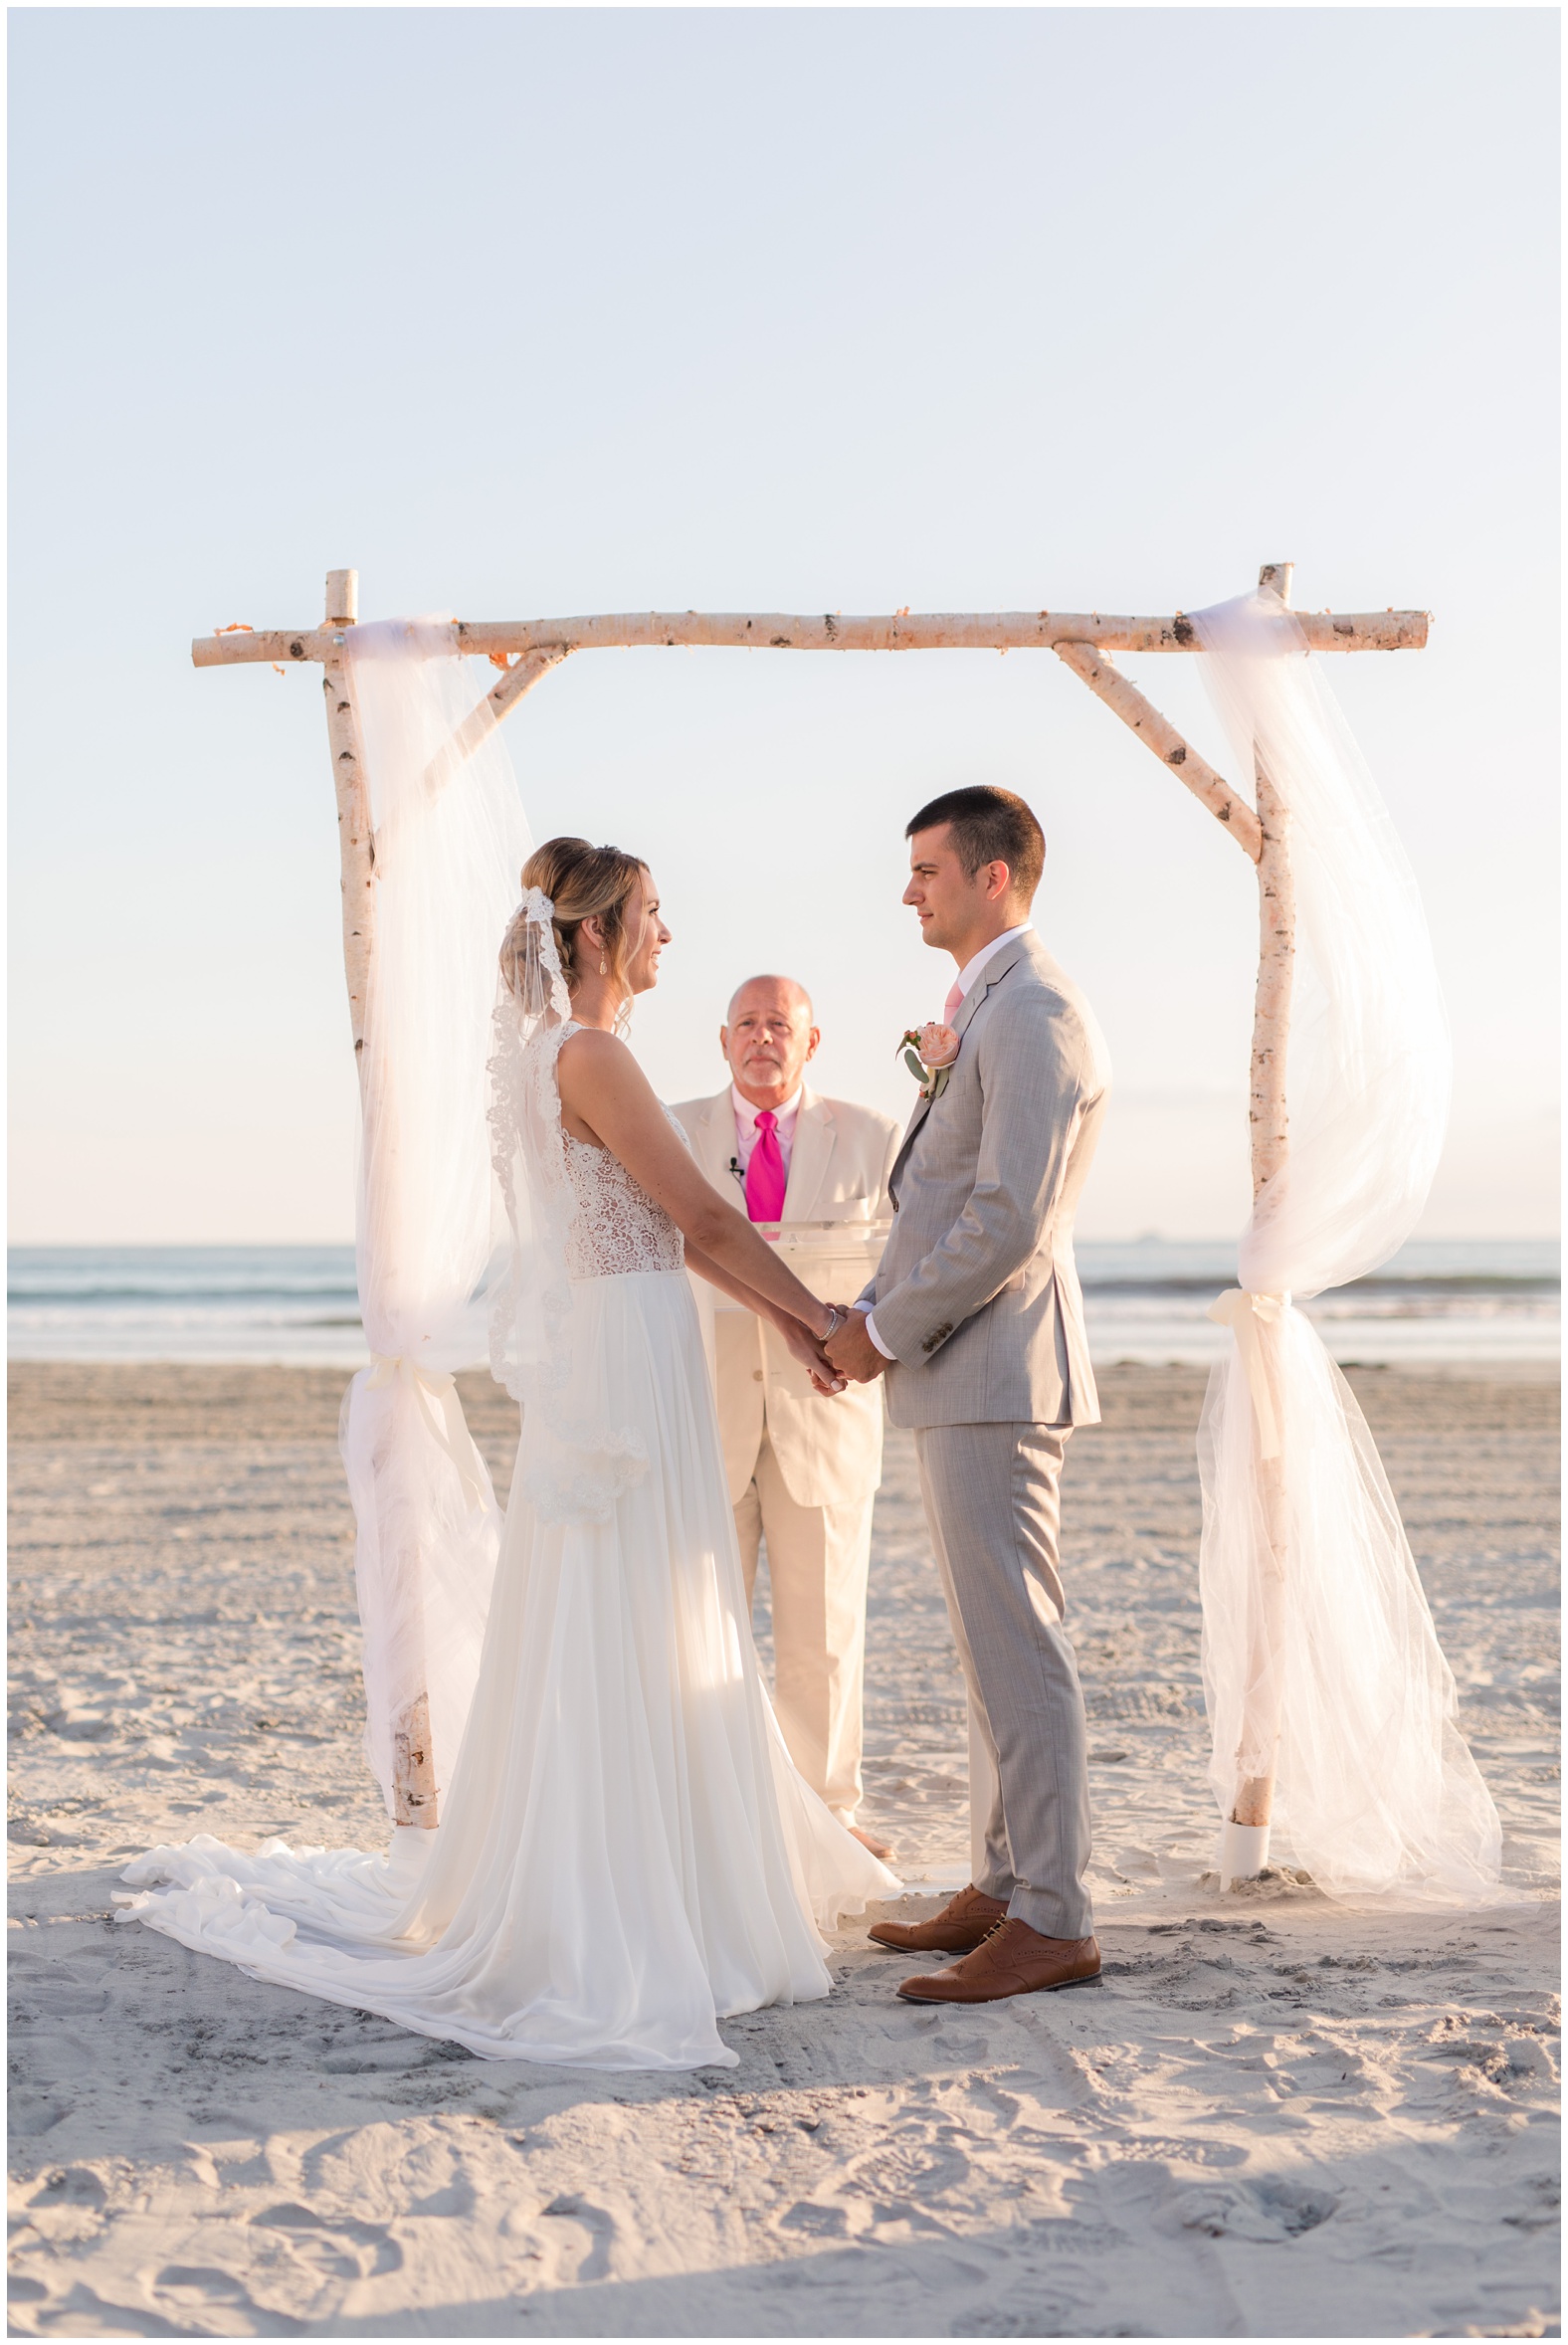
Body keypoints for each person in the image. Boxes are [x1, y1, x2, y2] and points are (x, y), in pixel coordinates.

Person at [119, 838, 896, 2071]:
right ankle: (637, 1905)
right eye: (651, 913)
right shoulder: (592, 1053)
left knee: (633, 1602)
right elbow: (698, 1212)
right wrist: (819, 1318)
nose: (665, 935)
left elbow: (673, 1229)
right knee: (640, 1602)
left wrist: (793, 1321)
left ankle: (647, 1875)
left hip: (620, 1335)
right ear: (591, 933)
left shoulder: (554, 1057)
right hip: (629, 1355)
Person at [825, 785, 1111, 2007]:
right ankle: (1002, 1883)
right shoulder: (983, 1004)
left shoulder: (1034, 1007)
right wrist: (869, 1313)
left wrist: (883, 1328)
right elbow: (939, 1196)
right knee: (984, 1643)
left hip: (994, 1366)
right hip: (963, 1368)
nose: (909, 891)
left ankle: (1053, 1915)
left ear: (993, 876)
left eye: (927, 870)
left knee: (1018, 1641)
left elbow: (1008, 1217)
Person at [672, 977, 900, 1858]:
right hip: (704, 1414)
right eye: (748, 1025)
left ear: (812, 1042)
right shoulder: (672, 1129)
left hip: (826, 1414)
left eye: (781, 1025)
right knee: (696, 1630)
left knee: (826, 1637)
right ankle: (704, 1818)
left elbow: (901, 1269)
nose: (763, 1038)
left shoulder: (875, 1138)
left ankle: (829, 1818)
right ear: (723, 1040)